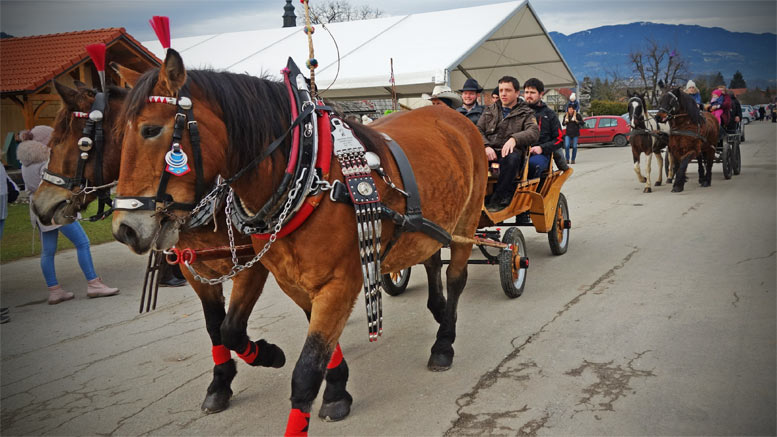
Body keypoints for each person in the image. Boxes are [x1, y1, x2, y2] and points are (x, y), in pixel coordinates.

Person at [17, 126, 119, 304]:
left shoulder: (25, 163)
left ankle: (54, 289)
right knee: (82, 243)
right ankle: (93, 282)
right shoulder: (46, 162)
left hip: (39, 208)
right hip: (56, 207)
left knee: (48, 251)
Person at [477, 76, 539, 211]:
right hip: (489, 151)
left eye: (507, 90)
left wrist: (514, 139)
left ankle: (499, 197)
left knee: (512, 158)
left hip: (510, 154)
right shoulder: (489, 110)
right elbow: (478, 130)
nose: (503, 94)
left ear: (517, 93)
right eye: (501, 90)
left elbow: (533, 131)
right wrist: (485, 146)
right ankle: (473, 198)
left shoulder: (526, 112)